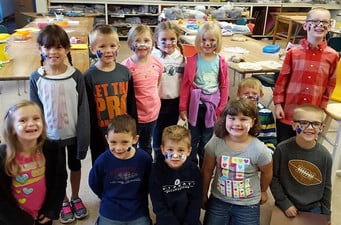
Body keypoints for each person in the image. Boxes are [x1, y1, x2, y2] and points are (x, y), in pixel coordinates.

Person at [29, 24, 90, 224]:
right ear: (40, 49)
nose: (53, 52)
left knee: (74, 165)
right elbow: (34, 111)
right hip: (50, 137)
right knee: (56, 171)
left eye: (59, 47)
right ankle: (62, 200)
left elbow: (83, 110)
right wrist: (37, 140)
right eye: (48, 47)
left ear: (67, 49)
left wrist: (83, 138)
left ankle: (75, 196)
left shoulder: (76, 76)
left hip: (72, 134)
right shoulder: (36, 78)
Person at [202, 98, 273, 225]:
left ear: (253, 122)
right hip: (219, 200)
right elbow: (207, 170)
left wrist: (263, 190)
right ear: (225, 120)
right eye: (232, 118)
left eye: (243, 119)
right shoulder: (216, 142)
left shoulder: (260, 149)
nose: (237, 123)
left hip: (248, 204)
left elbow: (267, 173)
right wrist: (203, 194)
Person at [273, 7, 339, 143]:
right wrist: (278, 103)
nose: (320, 25)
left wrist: (322, 108)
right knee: (283, 145)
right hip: (288, 111)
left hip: (312, 114)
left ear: (329, 26)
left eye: (324, 22)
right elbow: (282, 80)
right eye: (315, 21)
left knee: (306, 147)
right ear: (305, 25)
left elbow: (330, 85)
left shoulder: (332, 56)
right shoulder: (293, 53)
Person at [0, 100, 67, 225]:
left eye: (36, 118)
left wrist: (51, 211)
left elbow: (60, 181)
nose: (31, 124)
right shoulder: (3, 156)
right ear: (12, 128)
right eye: (23, 120)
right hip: (15, 219)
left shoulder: (52, 149)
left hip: (43, 214)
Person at [84, 24, 137, 165]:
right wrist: (92, 136)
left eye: (112, 46)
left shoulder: (125, 73)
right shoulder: (89, 77)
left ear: (119, 47)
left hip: (124, 131)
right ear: (92, 49)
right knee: (102, 165)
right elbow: (88, 111)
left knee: (124, 164)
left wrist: (133, 128)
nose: (108, 51)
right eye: (102, 47)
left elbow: (131, 104)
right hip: (100, 135)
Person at [270, 104, 332, 222]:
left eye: (315, 123)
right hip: (287, 202)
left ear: (321, 128)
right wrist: (284, 202)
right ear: (294, 125)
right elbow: (273, 178)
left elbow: (327, 187)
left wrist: (326, 214)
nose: (310, 127)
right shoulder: (282, 149)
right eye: (303, 123)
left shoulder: (325, 156)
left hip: (314, 207)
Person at [179, 21, 229, 168]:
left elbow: (224, 85)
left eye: (212, 40)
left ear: (218, 41)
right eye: (204, 40)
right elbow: (186, 85)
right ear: (198, 40)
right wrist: (183, 107)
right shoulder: (193, 60)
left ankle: (204, 168)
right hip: (195, 106)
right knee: (192, 138)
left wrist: (222, 107)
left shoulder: (221, 62)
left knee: (207, 139)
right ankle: (191, 168)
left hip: (212, 107)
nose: (207, 43)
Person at [89, 114, 152, 225]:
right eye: (113, 142)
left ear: (135, 139)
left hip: (137, 210)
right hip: (110, 209)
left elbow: (149, 183)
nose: (118, 148)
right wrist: (106, 197)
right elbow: (94, 183)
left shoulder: (144, 159)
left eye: (124, 142)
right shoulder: (102, 161)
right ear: (107, 139)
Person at [121, 24, 163, 157]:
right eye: (137, 41)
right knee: (131, 145)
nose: (142, 45)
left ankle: (146, 169)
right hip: (134, 116)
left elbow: (157, 84)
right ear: (129, 44)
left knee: (146, 144)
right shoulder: (125, 67)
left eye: (146, 41)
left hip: (152, 114)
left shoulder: (157, 63)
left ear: (153, 43)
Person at [149, 125, 202, 225]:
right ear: (162, 149)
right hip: (166, 221)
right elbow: (158, 204)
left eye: (181, 150)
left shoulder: (194, 170)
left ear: (189, 151)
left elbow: (196, 201)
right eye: (170, 150)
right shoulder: (156, 171)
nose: (175, 155)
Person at [152, 21, 185, 154]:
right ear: (157, 40)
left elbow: (183, 82)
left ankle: (169, 157)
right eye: (163, 39)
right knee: (158, 133)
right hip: (157, 102)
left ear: (177, 39)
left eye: (172, 39)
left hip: (174, 102)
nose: (168, 42)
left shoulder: (181, 59)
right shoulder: (152, 57)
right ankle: (158, 159)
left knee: (170, 133)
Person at [237, 77, 277, 152]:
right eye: (246, 93)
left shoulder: (266, 113)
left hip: (259, 152)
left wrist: (268, 153)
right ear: (239, 94)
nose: (250, 96)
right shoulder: (234, 112)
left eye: (254, 93)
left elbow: (270, 138)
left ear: (261, 95)